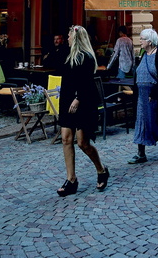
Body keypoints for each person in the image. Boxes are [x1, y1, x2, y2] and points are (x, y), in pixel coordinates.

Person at [57, 25, 109, 196]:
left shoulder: (86, 57)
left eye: (70, 35)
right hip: (67, 100)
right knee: (66, 139)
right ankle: (71, 179)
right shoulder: (67, 55)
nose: (68, 38)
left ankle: (101, 170)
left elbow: (87, 83)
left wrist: (78, 98)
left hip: (82, 101)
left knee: (82, 143)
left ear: (76, 38)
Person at [128, 28, 158, 164]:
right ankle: (141, 153)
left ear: (149, 41)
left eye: (142, 39)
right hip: (142, 97)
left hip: (157, 97)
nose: (140, 41)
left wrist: (155, 93)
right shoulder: (143, 53)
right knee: (141, 123)